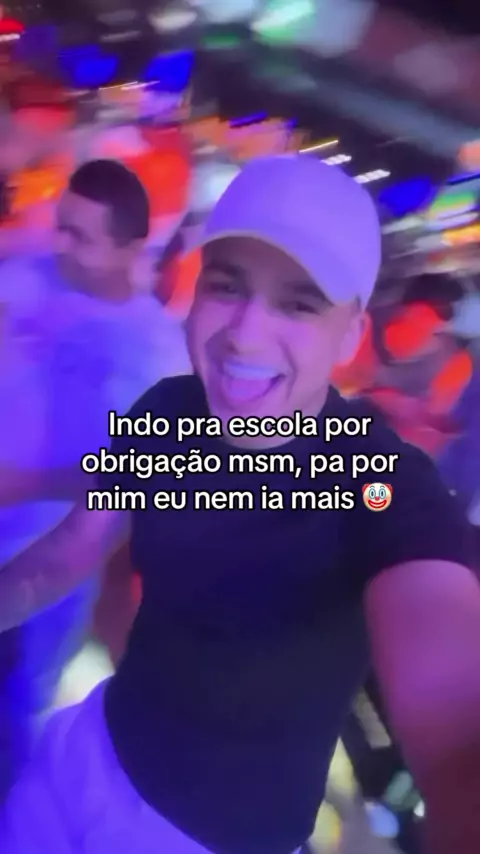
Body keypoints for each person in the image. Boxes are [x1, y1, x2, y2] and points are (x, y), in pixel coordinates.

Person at [0, 155, 479, 854]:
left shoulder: (379, 483)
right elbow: (70, 549)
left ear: (350, 333)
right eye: (227, 286)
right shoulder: (169, 410)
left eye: (298, 303)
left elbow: (455, 719)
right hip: (83, 759)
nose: (246, 333)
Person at [0, 159, 191, 797]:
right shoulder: (23, 275)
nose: (60, 243)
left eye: (80, 235)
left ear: (129, 249)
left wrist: (27, 483)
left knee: (16, 713)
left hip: (48, 568)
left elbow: (132, 484)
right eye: (61, 225)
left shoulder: (157, 354)